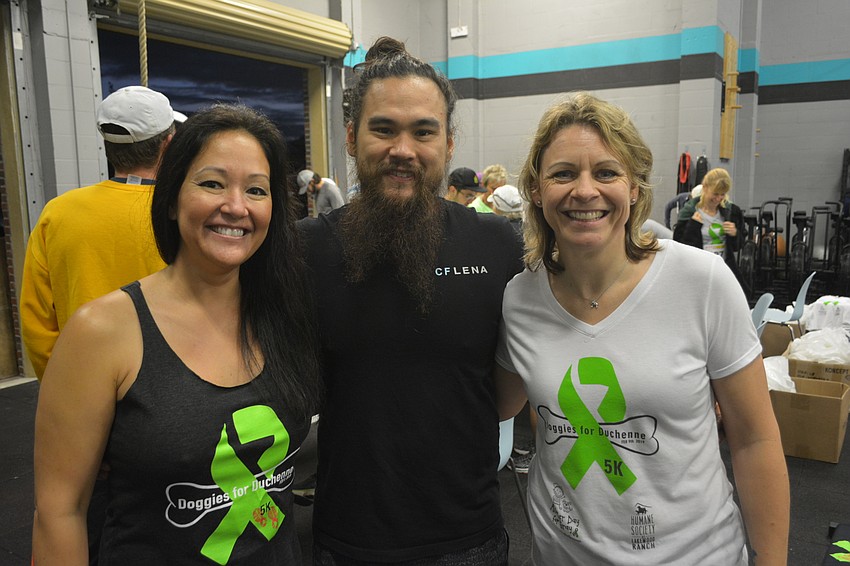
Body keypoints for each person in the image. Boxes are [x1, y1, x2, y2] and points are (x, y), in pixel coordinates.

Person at [494, 92, 789, 564]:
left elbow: (755, 440)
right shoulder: (519, 297)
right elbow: (510, 404)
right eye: (563, 173)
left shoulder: (701, 282)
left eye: (606, 172)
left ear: (634, 188)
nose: (585, 190)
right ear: (536, 189)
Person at [32, 104, 321, 565]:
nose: (235, 206)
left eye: (256, 190)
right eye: (211, 183)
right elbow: (59, 512)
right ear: (170, 199)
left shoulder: (286, 316)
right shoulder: (103, 331)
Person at [298, 36, 523, 565]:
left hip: (469, 538)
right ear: (352, 138)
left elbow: (512, 387)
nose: (403, 149)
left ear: (448, 144)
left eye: (424, 131)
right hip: (347, 538)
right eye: (383, 129)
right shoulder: (304, 248)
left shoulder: (496, 246)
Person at [20, 85, 182, 380]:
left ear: (108, 144)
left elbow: (37, 320)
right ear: (168, 144)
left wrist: (62, 383)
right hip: (173, 382)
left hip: (83, 379)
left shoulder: (58, 212)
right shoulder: (182, 211)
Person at [673, 167, 747, 292]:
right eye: (715, 193)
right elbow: (679, 247)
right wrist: (693, 226)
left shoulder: (731, 212)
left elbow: (738, 246)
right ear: (705, 188)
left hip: (723, 271)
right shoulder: (689, 212)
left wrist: (735, 234)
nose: (718, 198)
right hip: (698, 273)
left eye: (722, 194)